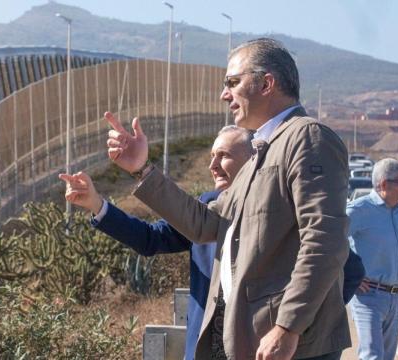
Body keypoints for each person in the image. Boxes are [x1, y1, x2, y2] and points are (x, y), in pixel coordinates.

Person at [103, 38, 351, 359]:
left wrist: (288, 326)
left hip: (292, 346)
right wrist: (142, 170)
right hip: (255, 340)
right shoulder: (262, 151)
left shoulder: (307, 137)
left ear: (266, 83)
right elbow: (207, 223)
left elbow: (324, 241)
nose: (224, 95)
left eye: (233, 83)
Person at [61, 125, 254, 359]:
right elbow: (150, 238)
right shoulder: (204, 209)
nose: (212, 166)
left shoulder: (279, 212)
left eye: (224, 155)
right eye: (212, 156)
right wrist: (95, 204)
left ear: (254, 159)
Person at [347, 158, 398, 360]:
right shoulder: (358, 210)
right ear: (384, 184)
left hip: (396, 299)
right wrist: (350, 276)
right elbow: (330, 242)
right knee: (372, 357)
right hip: (368, 297)